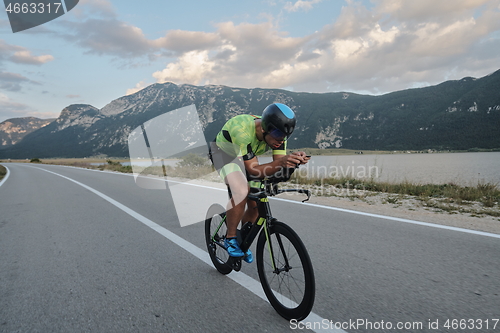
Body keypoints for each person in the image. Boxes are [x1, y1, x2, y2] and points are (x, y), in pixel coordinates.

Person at [209, 103, 310, 263]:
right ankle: (230, 237)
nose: (280, 139)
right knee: (241, 191)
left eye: (284, 136)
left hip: (246, 156)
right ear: (264, 128)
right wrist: (282, 162)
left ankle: (242, 240)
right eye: (277, 133)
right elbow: (254, 170)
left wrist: (292, 163)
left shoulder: (278, 136)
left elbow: (277, 168)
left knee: (257, 200)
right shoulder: (242, 131)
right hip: (224, 154)